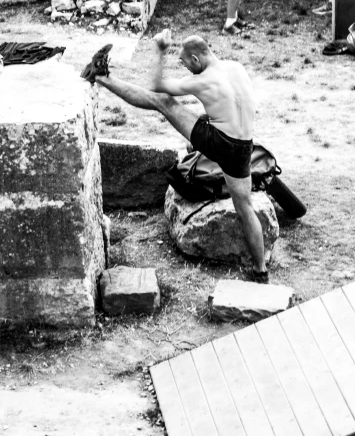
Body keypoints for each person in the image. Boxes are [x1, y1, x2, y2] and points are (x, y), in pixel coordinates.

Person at [81, 35, 269, 283]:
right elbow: (235, 105)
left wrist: (160, 51)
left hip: (221, 144)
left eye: (185, 64)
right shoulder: (236, 68)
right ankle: (260, 271)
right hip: (244, 145)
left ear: (195, 58)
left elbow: (158, 85)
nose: (186, 69)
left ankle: (101, 76)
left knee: (164, 102)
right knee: (245, 207)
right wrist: (205, 119)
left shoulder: (203, 79)